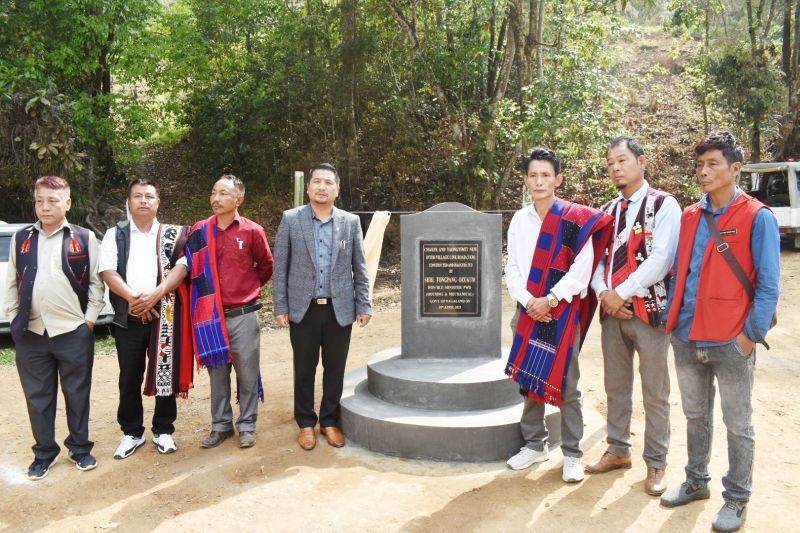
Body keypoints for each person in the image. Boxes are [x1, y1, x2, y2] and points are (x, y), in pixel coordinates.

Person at [661, 132, 780, 533]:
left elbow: (769, 286)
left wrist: (748, 337)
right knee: (695, 416)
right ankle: (696, 481)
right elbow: (680, 272)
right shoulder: (689, 216)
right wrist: (671, 318)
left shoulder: (757, 216)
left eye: (713, 164)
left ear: (735, 169)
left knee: (737, 423)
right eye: (699, 165)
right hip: (686, 335)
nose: (704, 171)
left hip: (731, 340)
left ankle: (737, 498)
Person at [504, 148, 613, 482]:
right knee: (529, 378)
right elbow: (512, 268)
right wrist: (530, 301)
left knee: (568, 384)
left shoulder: (573, 219)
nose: (539, 181)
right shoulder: (519, 220)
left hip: (561, 313)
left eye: (546, 175)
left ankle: (572, 454)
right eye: (533, 175)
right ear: (526, 180)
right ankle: (534, 444)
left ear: (558, 179)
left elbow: (582, 268)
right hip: (527, 311)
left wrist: (549, 300)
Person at [585, 137, 681, 496]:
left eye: (622, 160)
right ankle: (618, 450)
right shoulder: (607, 210)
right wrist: (605, 295)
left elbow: (661, 260)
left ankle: (656, 462)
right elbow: (595, 261)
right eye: (610, 163)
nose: (615, 168)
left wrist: (620, 293)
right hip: (612, 313)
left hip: (649, 312)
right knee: (616, 386)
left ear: (642, 162)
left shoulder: (664, 204)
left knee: (655, 391)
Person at [3, 176, 105, 480]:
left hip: (73, 331)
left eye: (52, 201)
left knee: (77, 394)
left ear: (67, 203)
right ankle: (44, 453)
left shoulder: (83, 238)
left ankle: (80, 448)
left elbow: (97, 284)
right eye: (39, 201)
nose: (44, 207)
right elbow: (12, 282)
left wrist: (89, 320)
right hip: (31, 333)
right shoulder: (22, 238)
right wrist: (14, 317)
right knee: (37, 397)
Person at [273, 163, 372, 451]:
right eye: (317, 181)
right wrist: (281, 306)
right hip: (303, 308)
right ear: (308, 188)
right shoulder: (292, 219)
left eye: (328, 182)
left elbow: (360, 266)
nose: (322, 187)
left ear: (337, 190)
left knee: (335, 368)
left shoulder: (350, 222)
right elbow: (281, 267)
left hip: (339, 309)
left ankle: (329, 420)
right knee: (304, 368)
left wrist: (364, 304)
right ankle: (306, 423)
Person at [100, 178, 193, 459]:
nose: (143, 201)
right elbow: (108, 272)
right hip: (128, 318)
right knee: (129, 375)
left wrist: (156, 295)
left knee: (165, 371)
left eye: (149, 196)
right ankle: (132, 432)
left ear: (158, 202)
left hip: (164, 316)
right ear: (129, 201)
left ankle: (163, 429)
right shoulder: (115, 235)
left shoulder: (173, 235)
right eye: (137, 196)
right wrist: (135, 300)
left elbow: (182, 268)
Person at [182, 175, 274, 449]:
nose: (216, 198)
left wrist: (247, 288)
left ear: (239, 199)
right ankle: (221, 425)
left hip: (243, 315)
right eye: (214, 192)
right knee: (217, 374)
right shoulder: (200, 231)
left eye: (224, 193)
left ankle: (247, 425)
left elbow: (266, 266)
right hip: (210, 316)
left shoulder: (252, 231)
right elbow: (190, 267)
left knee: (247, 373)